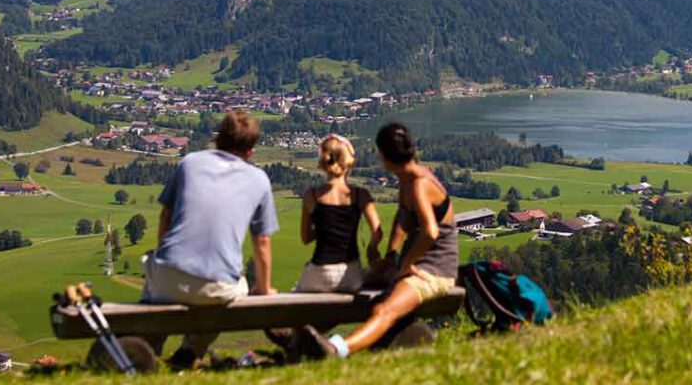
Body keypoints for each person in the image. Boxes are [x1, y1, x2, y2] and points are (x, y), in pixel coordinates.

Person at [296, 123, 457, 359]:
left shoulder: (420, 185)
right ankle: (300, 340)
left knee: (384, 309)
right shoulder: (409, 178)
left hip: (434, 272)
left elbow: (431, 232)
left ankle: (335, 349)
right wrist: (390, 256)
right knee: (360, 286)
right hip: (418, 266)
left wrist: (405, 267)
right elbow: (401, 221)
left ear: (384, 156)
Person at [141, 110, 278, 368]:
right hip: (216, 286)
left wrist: (165, 257)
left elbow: (165, 217)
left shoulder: (189, 163)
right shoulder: (259, 179)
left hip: (166, 277)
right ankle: (191, 350)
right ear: (250, 151)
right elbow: (262, 242)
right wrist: (264, 288)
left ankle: (148, 348)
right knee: (237, 287)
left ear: (218, 139)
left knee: (152, 265)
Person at [294, 134, 382, 293]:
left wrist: (325, 228)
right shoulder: (360, 195)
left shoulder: (311, 196)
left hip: (319, 273)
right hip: (350, 273)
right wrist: (372, 248)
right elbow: (377, 230)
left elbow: (305, 238)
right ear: (349, 161)